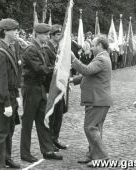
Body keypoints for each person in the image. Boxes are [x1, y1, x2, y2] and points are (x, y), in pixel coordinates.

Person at [20, 23, 63, 163]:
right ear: (37, 34)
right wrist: (55, 69)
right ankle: (25, 153)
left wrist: (51, 68)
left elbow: (45, 67)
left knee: (43, 120)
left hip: (39, 88)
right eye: (44, 34)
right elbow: (40, 69)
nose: (47, 36)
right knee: (27, 122)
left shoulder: (42, 49)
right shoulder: (31, 50)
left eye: (47, 34)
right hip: (31, 88)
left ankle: (47, 150)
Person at [70, 35, 112, 167]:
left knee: (90, 128)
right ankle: (92, 154)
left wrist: (73, 58)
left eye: (93, 45)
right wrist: (73, 80)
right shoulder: (102, 57)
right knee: (96, 128)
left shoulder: (101, 59)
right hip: (98, 99)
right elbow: (91, 73)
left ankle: (102, 157)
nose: (92, 48)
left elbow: (87, 70)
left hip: (97, 100)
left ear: (100, 45)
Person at [0, 18, 21, 170]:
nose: (16, 32)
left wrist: (17, 95)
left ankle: (7, 158)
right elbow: (0, 82)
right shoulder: (0, 52)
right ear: (6, 32)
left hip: (11, 95)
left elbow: (12, 76)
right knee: (0, 132)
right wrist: (6, 103)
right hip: (2, 98)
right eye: (14, 30)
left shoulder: (10, 47)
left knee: (9, 130)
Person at [44, 24, 68, 150]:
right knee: (52, 115)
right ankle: (49, 141)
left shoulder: (59, 48)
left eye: (60, 34)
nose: (60, 37)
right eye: (58, 34)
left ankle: (55, 138)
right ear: (52, 35)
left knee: (59, 114)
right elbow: (45, 69)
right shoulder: (46, 49)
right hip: (50, 86)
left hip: (60, 86)